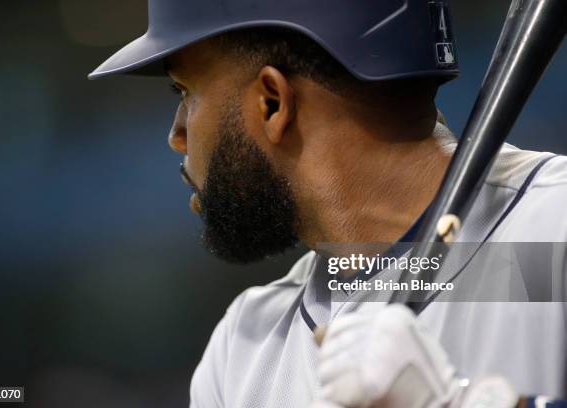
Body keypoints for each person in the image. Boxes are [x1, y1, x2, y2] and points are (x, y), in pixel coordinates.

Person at [89, 0, 567, 406]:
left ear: (273, 102)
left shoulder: (553, 230)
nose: (177, 136)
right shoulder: (247, 345)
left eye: (185, 91)